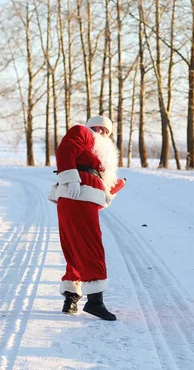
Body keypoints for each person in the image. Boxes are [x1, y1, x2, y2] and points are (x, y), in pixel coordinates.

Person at [48, 115, 126, 321]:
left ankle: (71, 296)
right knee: (91, 245)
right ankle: (94, 301)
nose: (100, 132)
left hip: (81, 196)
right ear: (89, 127)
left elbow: (101, 188)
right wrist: (70, 177)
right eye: (96, 127)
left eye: (105, 130)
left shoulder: (99, 155)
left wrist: (114, 186)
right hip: (77, 192)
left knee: (75, 246)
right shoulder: (82, 132)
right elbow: (65, 150)